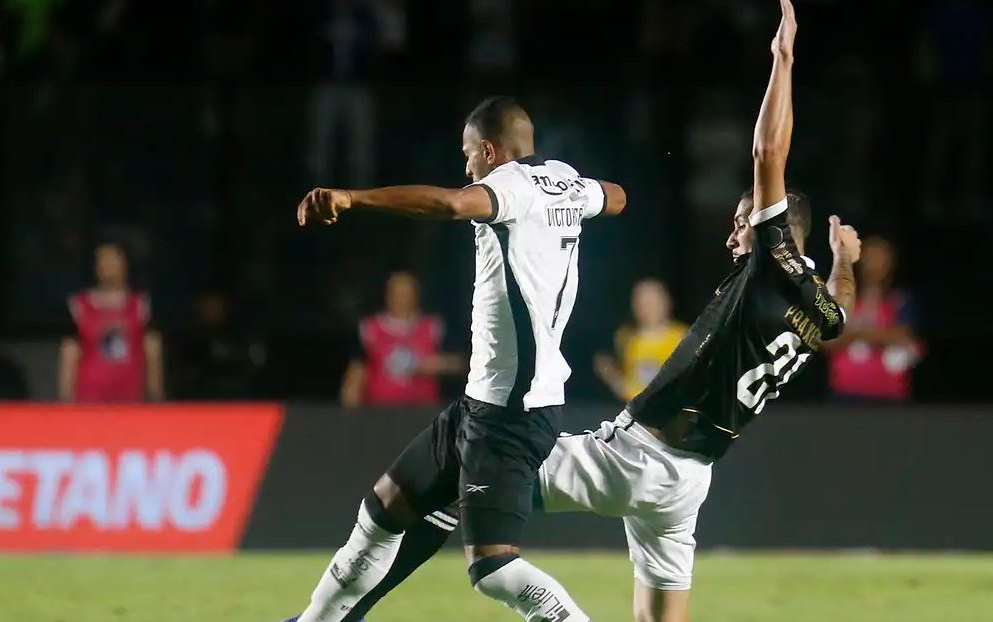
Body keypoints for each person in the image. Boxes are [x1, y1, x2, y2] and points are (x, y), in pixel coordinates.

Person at [328, 3, 860, 621]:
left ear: (774, 229)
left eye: (744, 221)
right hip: (689, 482)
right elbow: (839, 315)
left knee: (472, 463)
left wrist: (783, 62)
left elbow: (770, 153)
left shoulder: (772, 258)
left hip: (634, 458)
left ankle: (345, 609)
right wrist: (841, 259)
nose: (735, 234)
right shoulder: (815, 301)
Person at [289, 96, 627, 622]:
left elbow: (450, 204)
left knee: (494, 571)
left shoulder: (508, 187)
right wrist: (586, 194)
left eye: (469, 155)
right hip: (481, 403)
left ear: (490, 151)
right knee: (381, 511)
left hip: (513, 413)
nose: (466, 167)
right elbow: (618, 197)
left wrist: (352, 198)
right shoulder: (564, 179)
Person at [58, 242, 164, 403]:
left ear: (125, 265)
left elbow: (152, 349)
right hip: (89, 397)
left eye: (114, 261)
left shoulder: (142, 306)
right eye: (104, 261)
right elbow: (70, 352)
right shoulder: (78, 306)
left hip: (130, 395)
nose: (109, 267)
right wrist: (65, 398)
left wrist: (156, 395)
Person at [341, 271, 462, 408]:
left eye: (407, 293)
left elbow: (458, 364)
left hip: (424, 412)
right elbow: (357, 371)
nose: (402, 298)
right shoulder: (370, 329)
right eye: (398, 293)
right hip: (380, 412)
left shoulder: (434, 328)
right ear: (388, 295)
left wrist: (430, 365)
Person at [824, 236, 923, 401]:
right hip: (845, 393)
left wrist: (855, 332)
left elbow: (900, 336)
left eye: (880, 258)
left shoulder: (900, 300)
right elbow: (827, 341)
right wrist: (870, 334)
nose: (874, 265)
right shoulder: (841, 297)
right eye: (869, 257)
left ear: (891, 263)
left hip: (888, 394)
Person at [594, 278, 687, 401]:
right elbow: (623, 382)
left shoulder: (683, 337)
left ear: (667, 303)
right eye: (641, 303)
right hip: (631, 412)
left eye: (652, 303)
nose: (647, 309)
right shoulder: (624, 337)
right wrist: (610, 375)